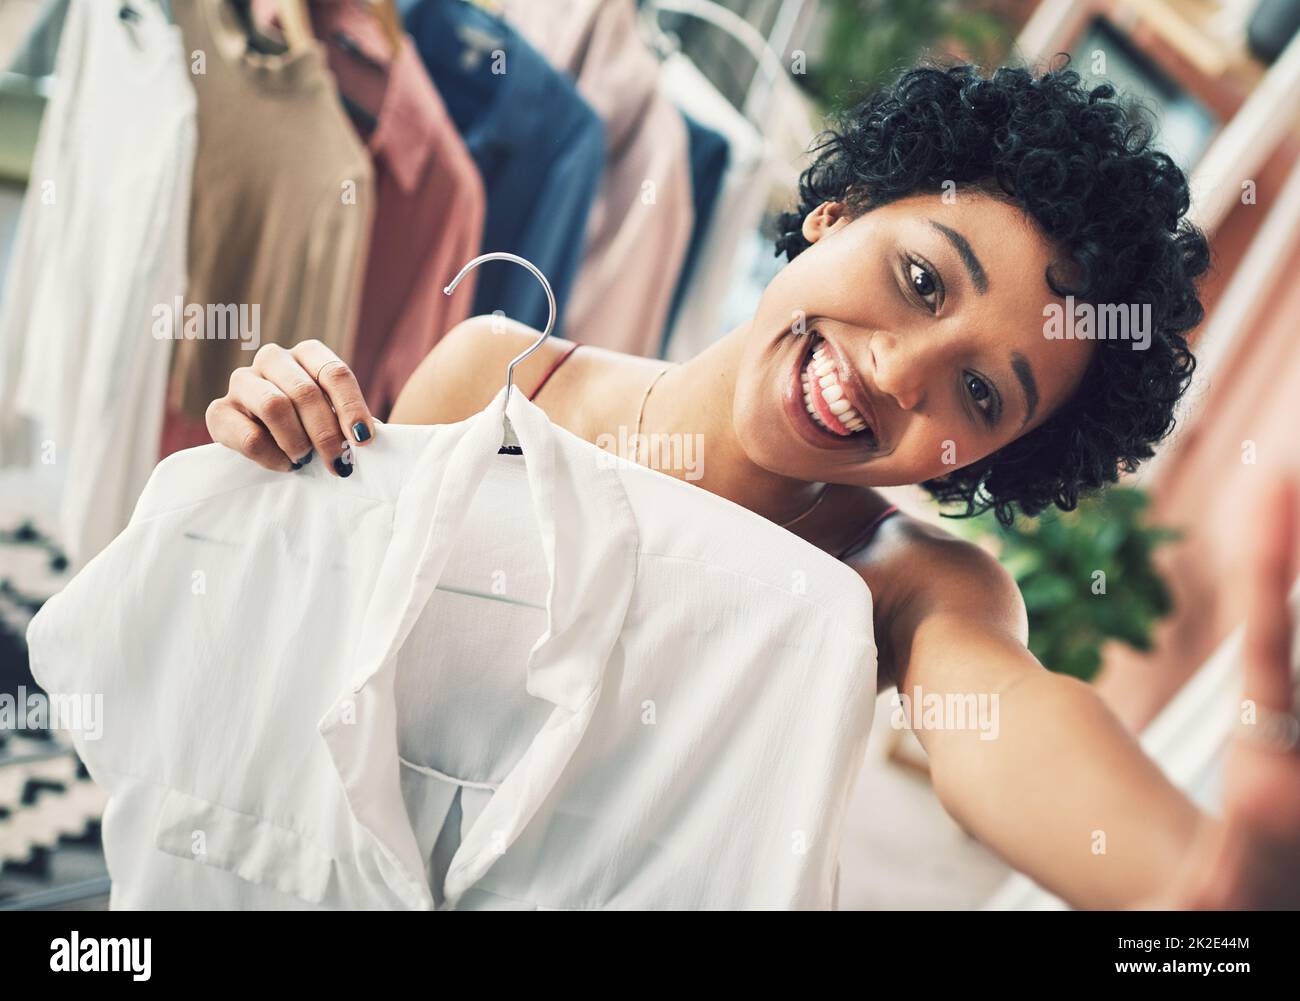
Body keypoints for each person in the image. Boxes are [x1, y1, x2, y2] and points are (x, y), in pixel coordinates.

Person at [204, 63, 1300, 908]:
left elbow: (1005, 722)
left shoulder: (909, 586)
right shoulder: (495, 375)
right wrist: (273, 456)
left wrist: (1198, 876)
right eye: (920, 279)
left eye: (977, 392)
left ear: (986, 459)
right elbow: (311, 673)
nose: (894, 372)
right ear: (842, 207)